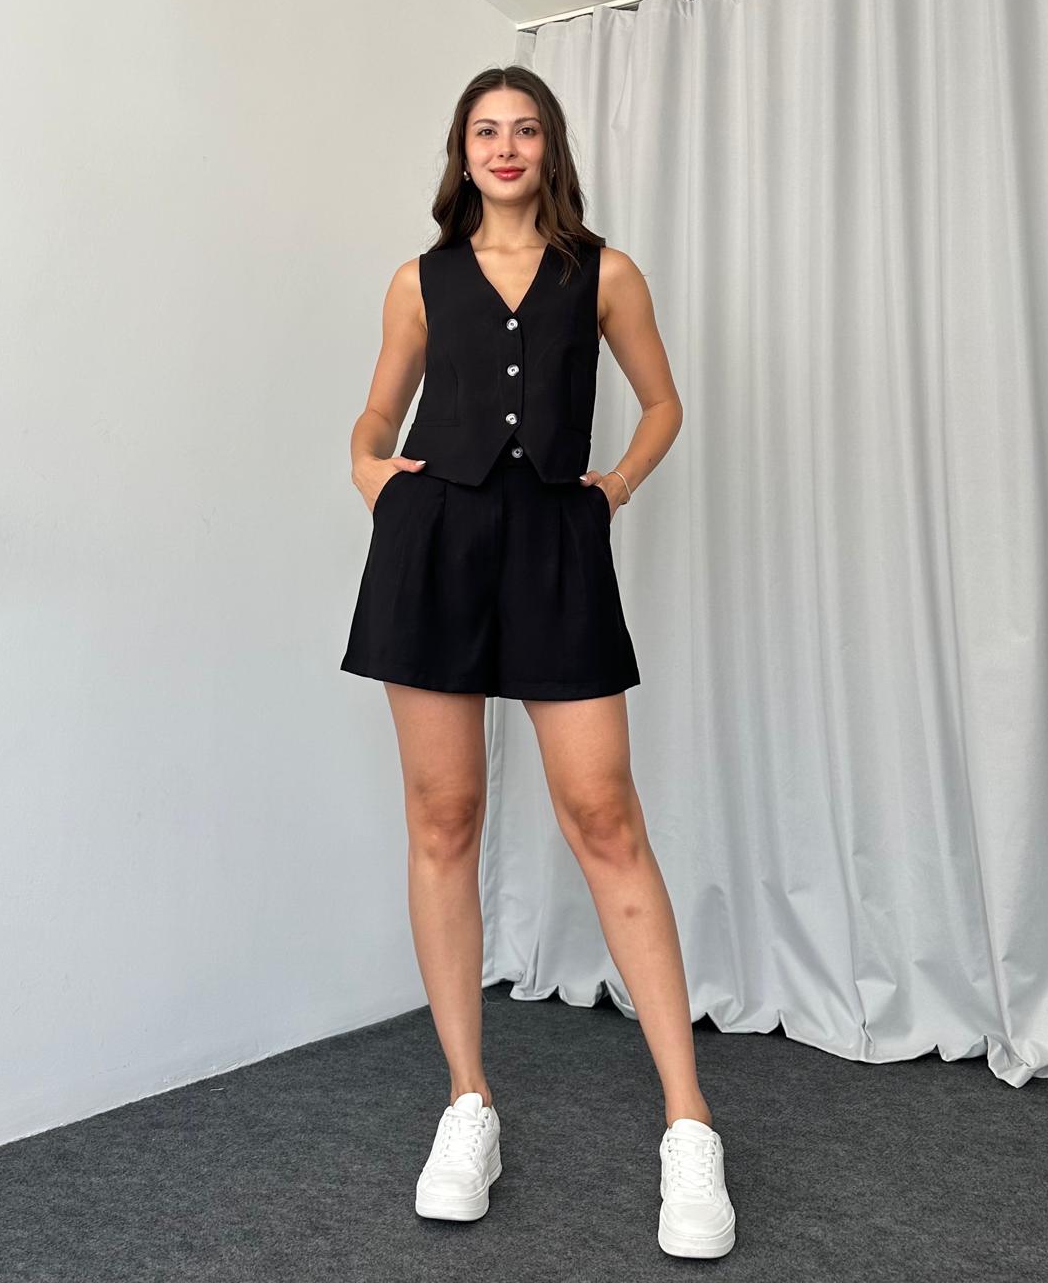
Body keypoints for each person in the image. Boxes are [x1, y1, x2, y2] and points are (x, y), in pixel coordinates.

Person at [340, 64, 736, 1259]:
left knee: (604, 814)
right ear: (460, 152)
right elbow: (374, 417)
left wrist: (610, 489)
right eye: (484, 131)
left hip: (555, 546)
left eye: (524, 129)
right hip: (433, 544)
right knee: (442, 817)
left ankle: (688, 1124)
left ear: (549, 148)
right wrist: (373, 477)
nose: (504, 146)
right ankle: (468, 1102)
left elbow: (661, 404)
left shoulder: (604, 272)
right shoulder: (417, 280)